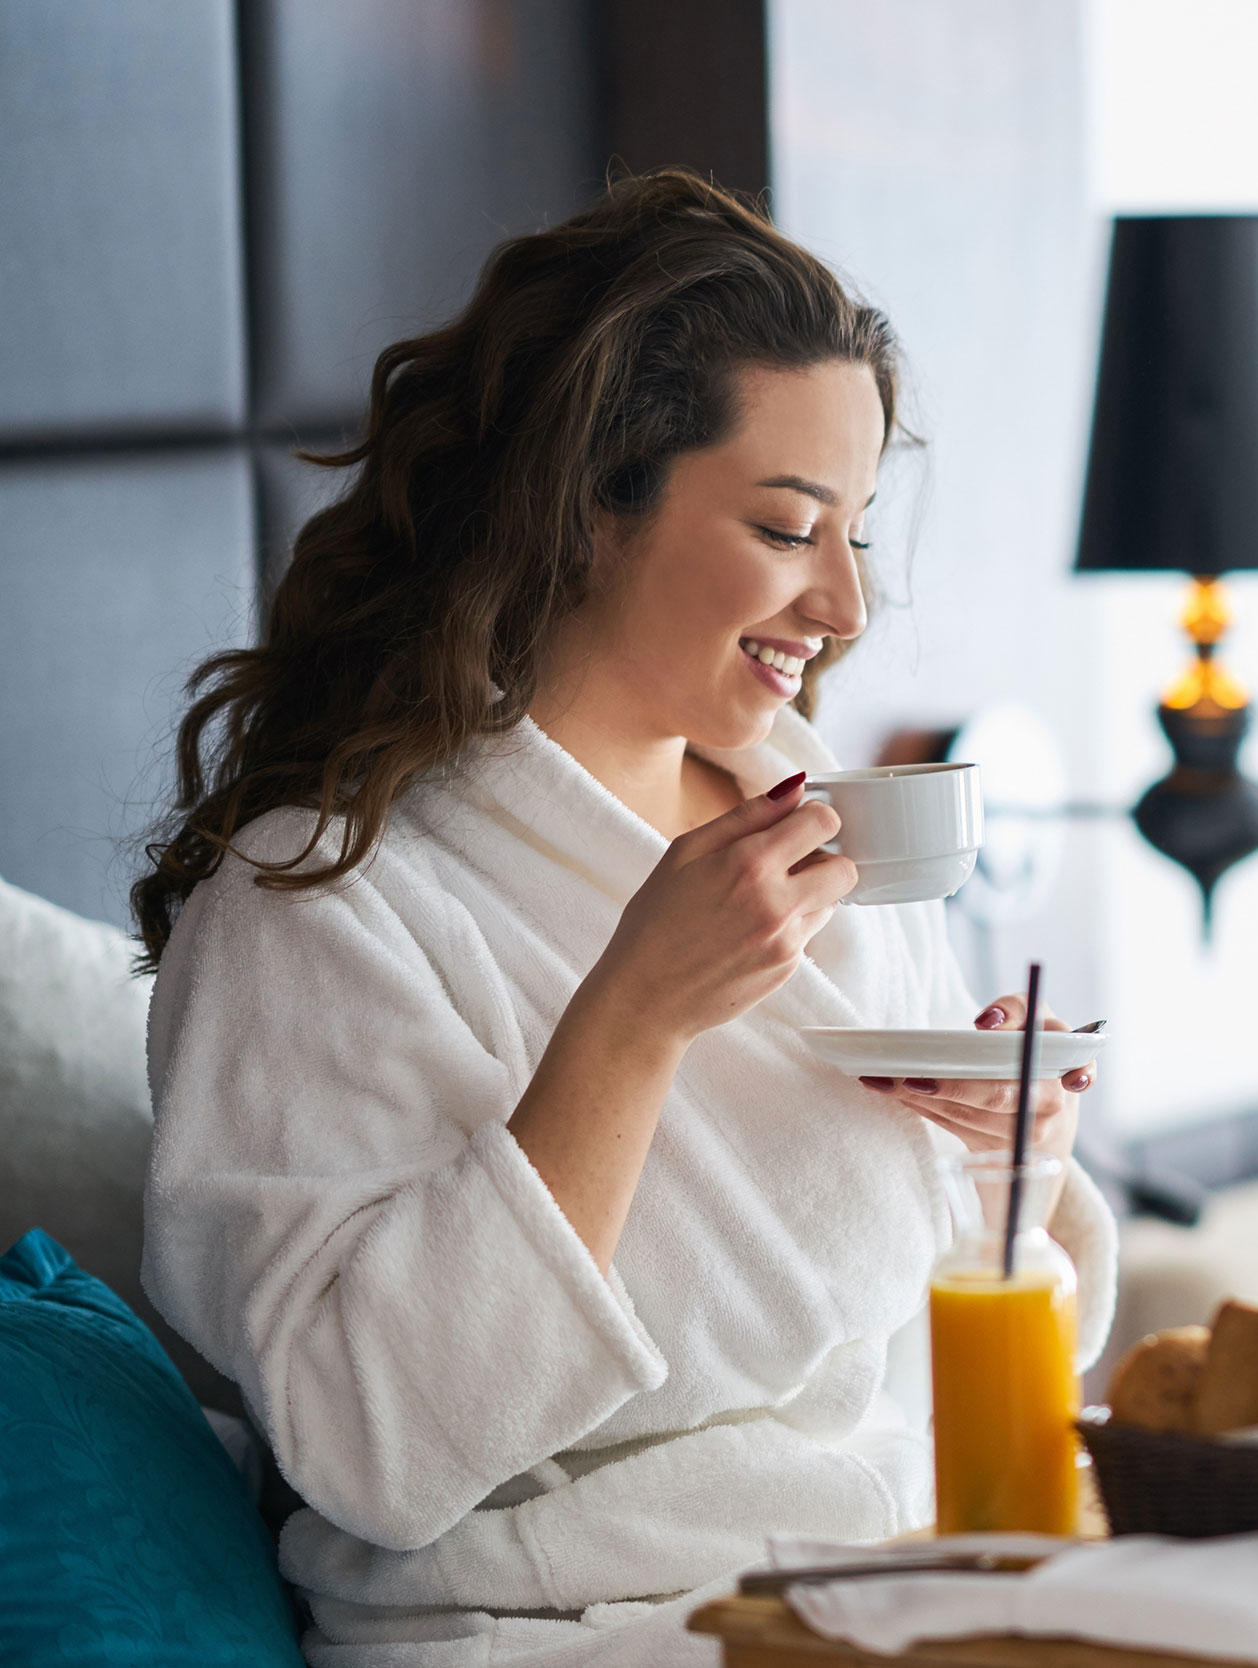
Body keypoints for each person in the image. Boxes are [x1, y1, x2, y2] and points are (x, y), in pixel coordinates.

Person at [133, 170, 1114, 1667]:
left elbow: (929, 1361)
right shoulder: (323, 904)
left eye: (856, 534)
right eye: (787, 529)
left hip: (897, 1580)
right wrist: (633, 1019)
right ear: (592, 504)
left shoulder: (822, 833)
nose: (845, 607)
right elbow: (368, 1446)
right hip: (556, 1636)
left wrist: (1014, 1171)